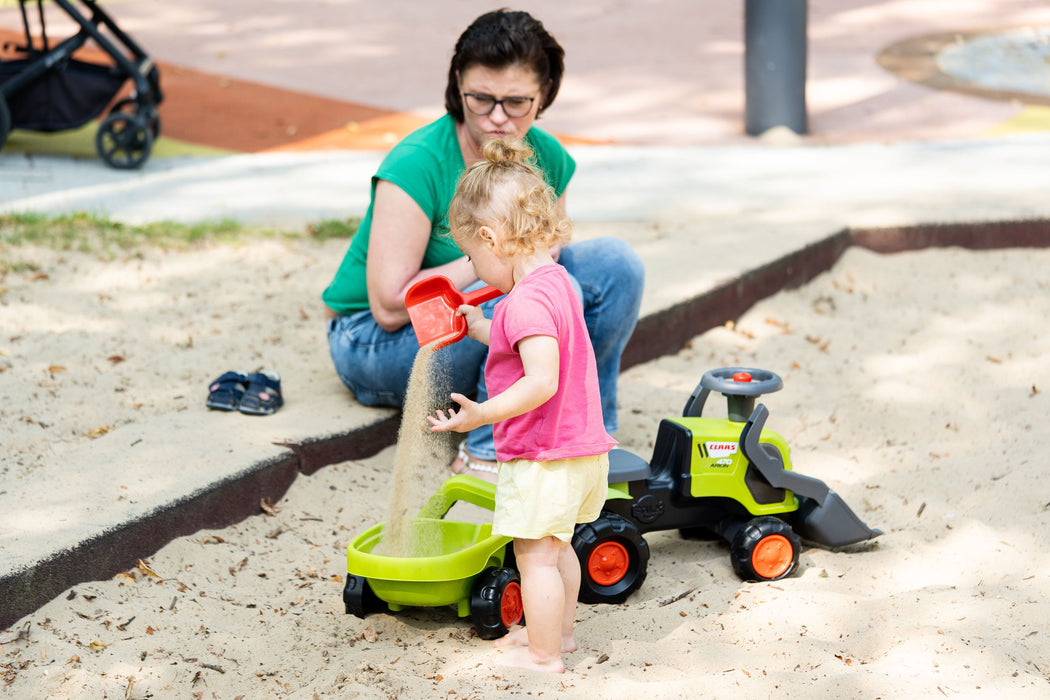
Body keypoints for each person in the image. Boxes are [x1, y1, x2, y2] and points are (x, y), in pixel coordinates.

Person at [322, 9, 643, 475]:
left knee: (616, 265)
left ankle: (585, 436)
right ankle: (490, 452)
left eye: (516, 102)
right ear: (458, 85)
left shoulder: (547, 156)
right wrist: (489, 257)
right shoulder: (416, 163)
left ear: (545, 92)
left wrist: (521, 261)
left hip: (476, 319)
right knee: (516, 294)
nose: (497, 118)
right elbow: (388, 307)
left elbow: (548, 256)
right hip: (372, 341)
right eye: (481, 99)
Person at [428, 137, 614, 673]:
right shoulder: (556, 283)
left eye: (472, 256)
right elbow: (528, 341)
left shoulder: (526, 300)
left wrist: (482, 414)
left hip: (543, 456)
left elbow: (541, 381)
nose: (473, 266)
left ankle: (543, 656)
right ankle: (560, 634)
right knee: (559, 548)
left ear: (491, 238)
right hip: (580, 451)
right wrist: (480, 327)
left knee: (534, 558)